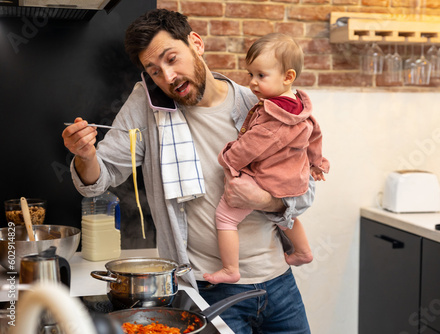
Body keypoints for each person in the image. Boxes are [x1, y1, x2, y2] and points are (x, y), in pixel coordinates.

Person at [62, 9, 313, 333]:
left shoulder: (257, 106)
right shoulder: (148, 105)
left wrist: (265, 199)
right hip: (206, 288)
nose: (167, 77)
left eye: (172, 58)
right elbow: (102, 176)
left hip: (279, 284)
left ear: (196, 43)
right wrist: (85, 155)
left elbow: (304, 193)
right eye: (153, 70)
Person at [204, 33, 329, 285]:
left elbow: (249, 147)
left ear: (288, 76)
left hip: (269, 178)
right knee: (285, 216)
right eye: (250, 75)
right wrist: (317, 163)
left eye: (261, 76)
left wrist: (227, 159)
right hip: (292, 180)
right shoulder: (300, 108)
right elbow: (315, 134)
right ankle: (303, 252)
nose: (252, 83)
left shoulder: (273, 117)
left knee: (226, 218)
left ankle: (230, 269)